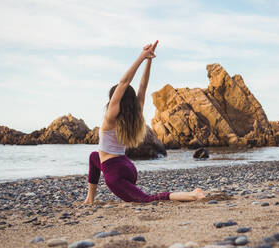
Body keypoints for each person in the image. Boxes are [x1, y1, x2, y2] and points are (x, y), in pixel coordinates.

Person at [83, 40, 205, 204]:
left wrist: (141, 57)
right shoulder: (135, 114)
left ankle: (193, 194)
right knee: (93, 156)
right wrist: (149, 61)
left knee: (146, 199)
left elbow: (124, 82)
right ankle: (90, 198)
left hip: (115, 174)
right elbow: (142, 86)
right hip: (128, 167)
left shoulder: (110, 118)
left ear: (113, 99)